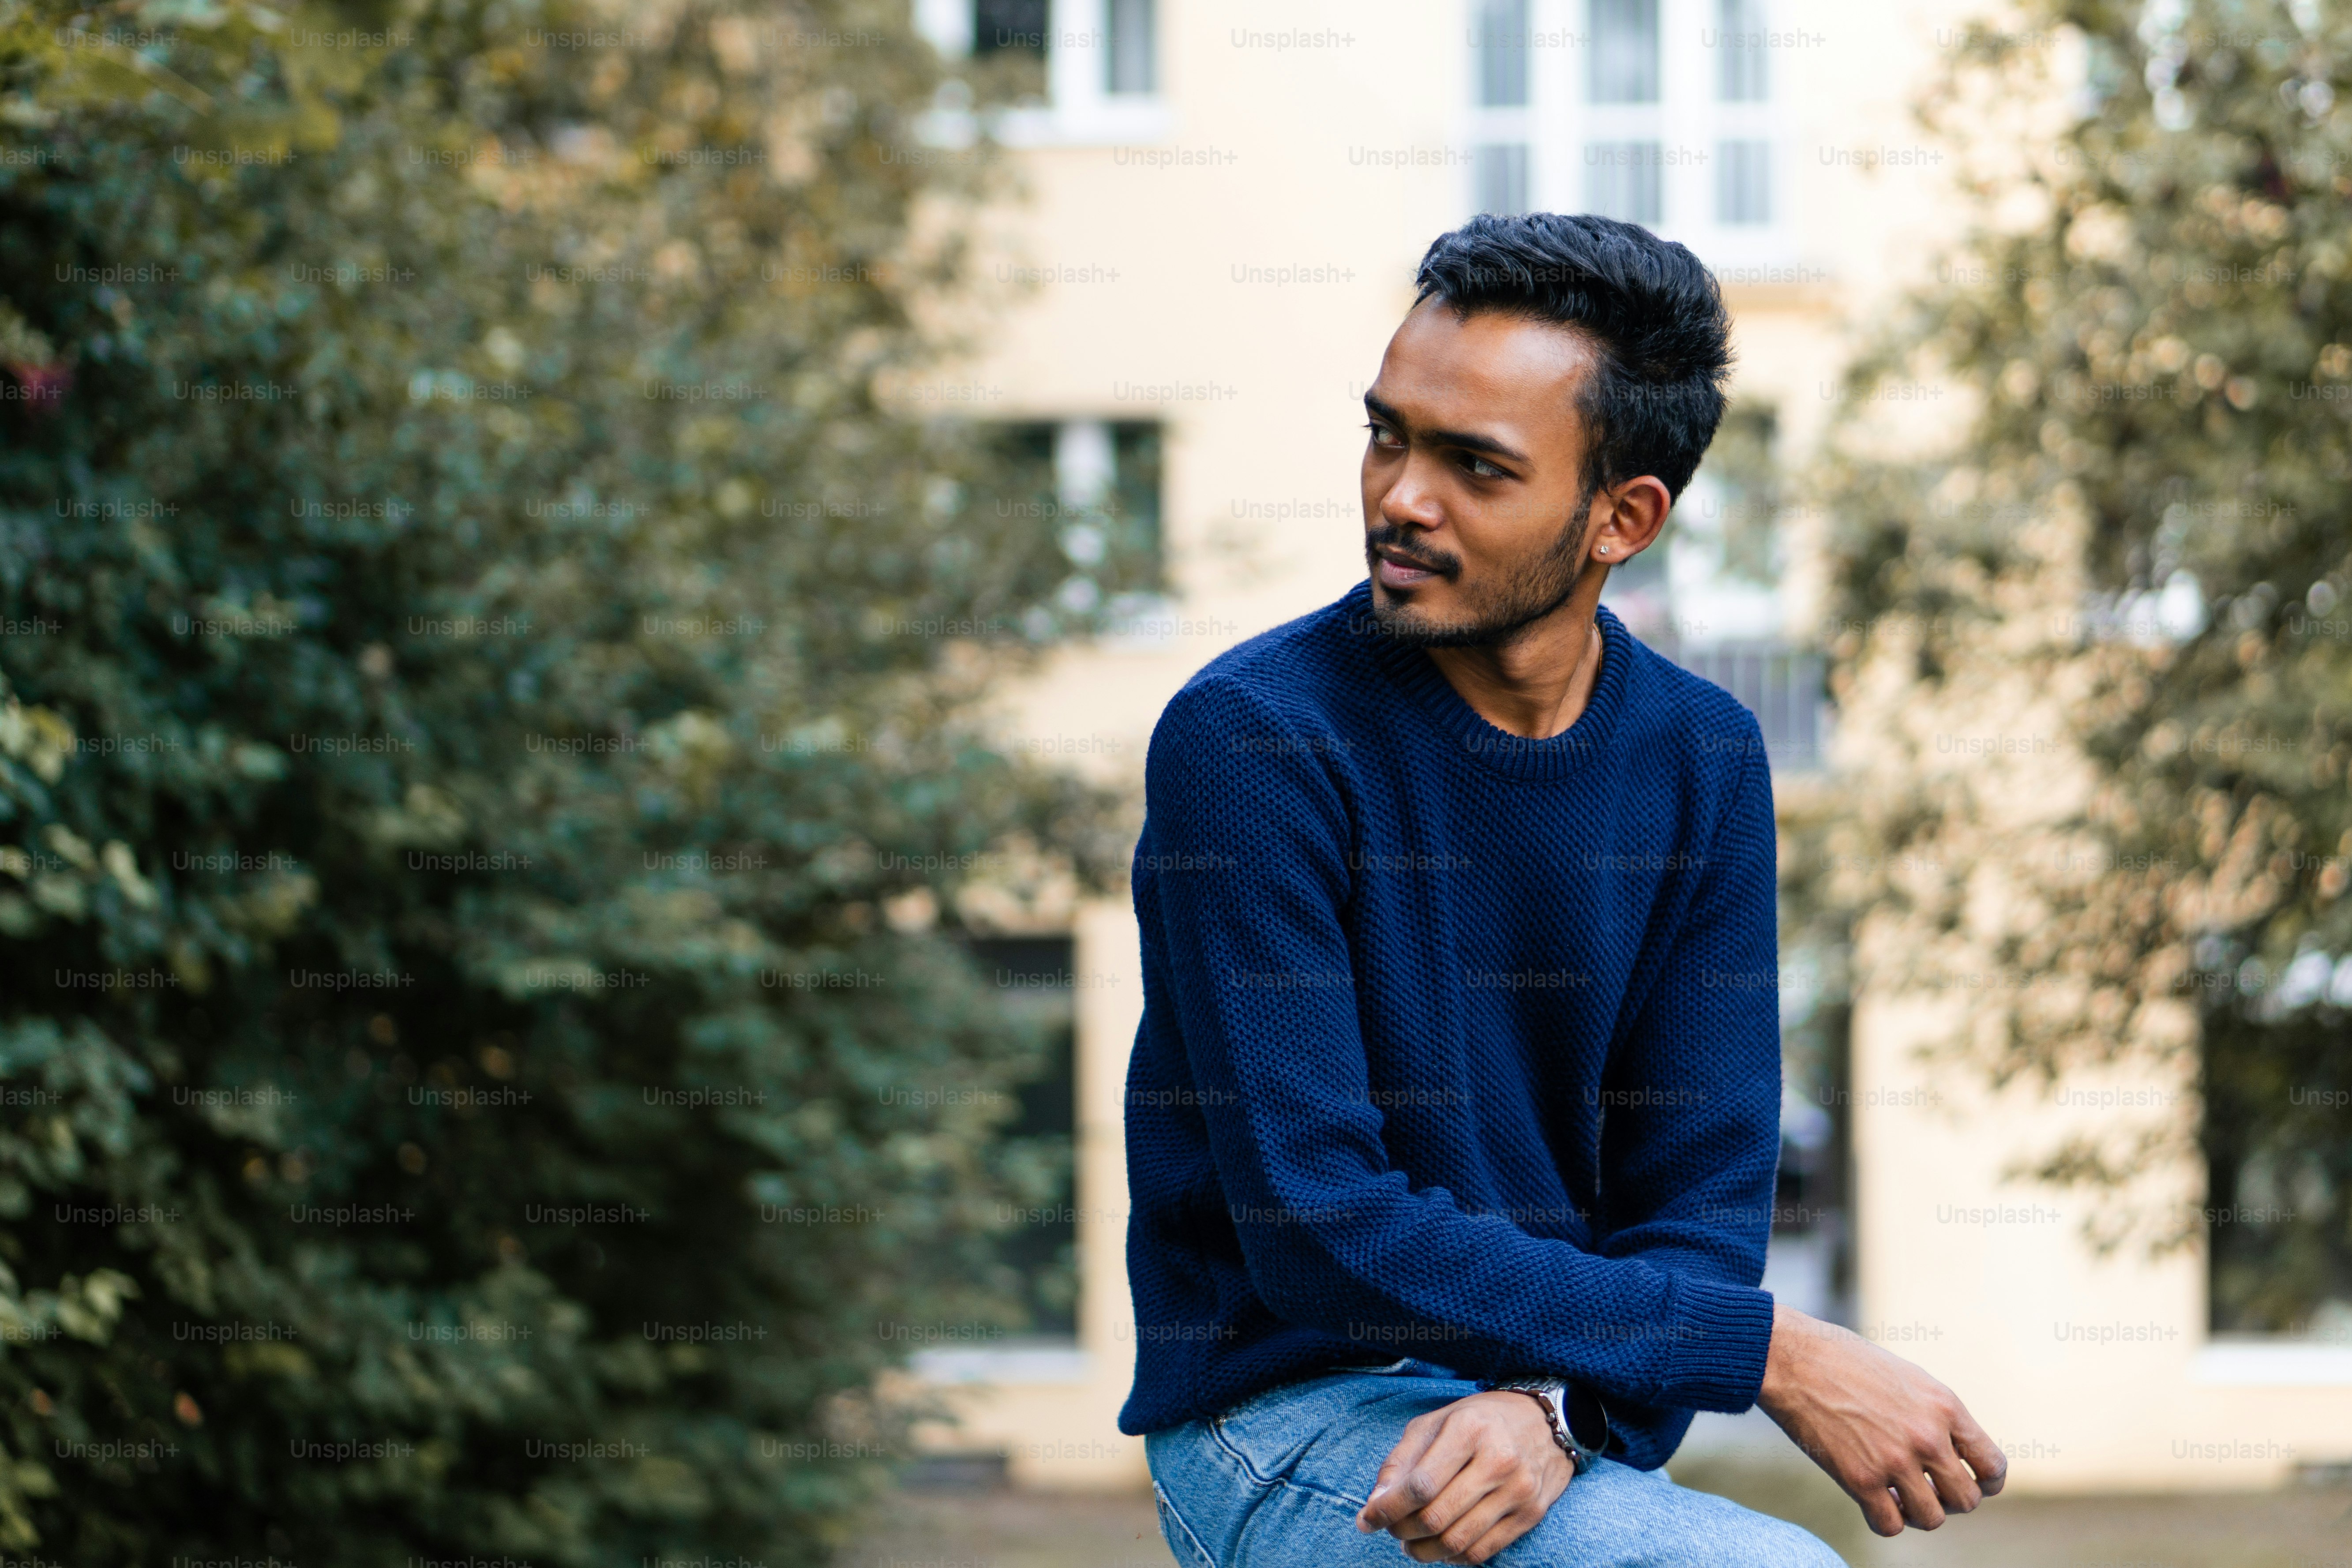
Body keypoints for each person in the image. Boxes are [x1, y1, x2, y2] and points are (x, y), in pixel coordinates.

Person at [1120, 213, 2006, 1568]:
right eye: (1387, 434)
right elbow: (1318, 1224)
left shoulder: (1702, 759)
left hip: (1546, 1406)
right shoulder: (1252, 742)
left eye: (1474, 466)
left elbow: (1698, 1202)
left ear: (1621, 517)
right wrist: (1761, 1353)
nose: (1400, 497)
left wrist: (1549, 1401)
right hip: (1278, 1407)